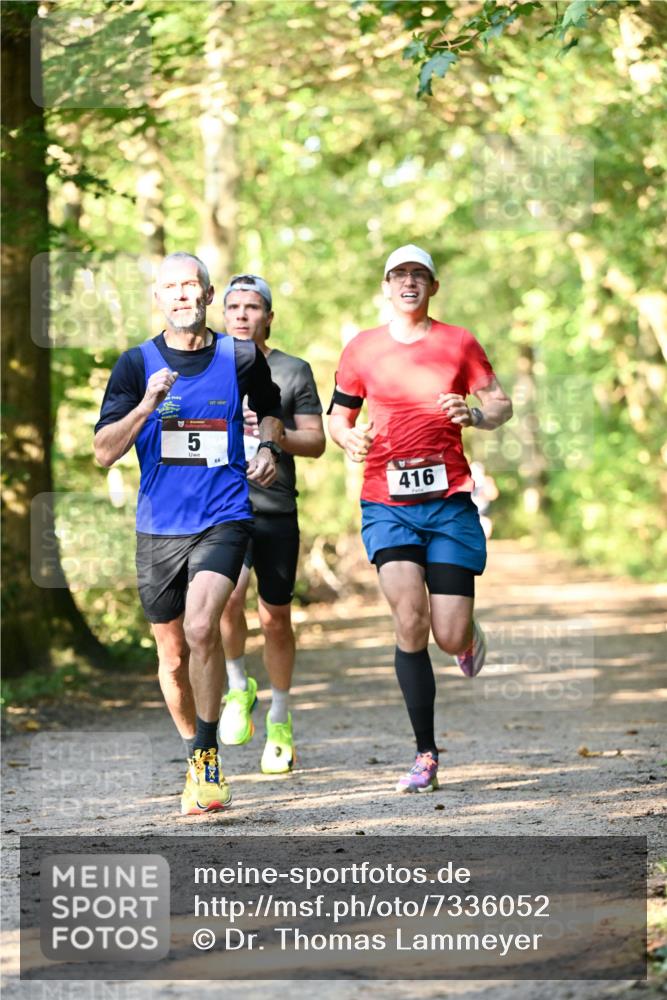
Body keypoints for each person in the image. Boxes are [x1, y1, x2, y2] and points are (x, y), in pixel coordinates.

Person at [93, 252, 283, 815]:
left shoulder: (240, 355)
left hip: (224, 516)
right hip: (158, 529)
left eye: (190, 285)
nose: (181, 295)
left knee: (203, 626)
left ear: (207, 293)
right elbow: (104, 452)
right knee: (172, 655)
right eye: (170, 288)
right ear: (159, 299)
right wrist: (148, 404)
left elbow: (271, 407)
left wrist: (269, 446)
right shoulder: (135, 364)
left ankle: (207, 760)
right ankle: (192, 750)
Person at [328, 244, 512, 793]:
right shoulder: (361, 348)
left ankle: (466, 638)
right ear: (386, 286)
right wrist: (348, 437)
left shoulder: (459, 341)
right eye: (399, 274)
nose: (409, 282)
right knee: (409, 619)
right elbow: (338, 417)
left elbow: (501, 404)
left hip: (451, 500)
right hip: (386, 501)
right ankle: (425, 753)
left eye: (420, 275)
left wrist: (474, 414)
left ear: (433, 287)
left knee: (447, 634)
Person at [218, 274, 325, 774]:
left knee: (275, 616)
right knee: (227, 597)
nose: (242, 314)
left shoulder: (293, 370)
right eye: (233, 306)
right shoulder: (206, 365)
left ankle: (280, 715)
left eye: (252, 306)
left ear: (269, 317)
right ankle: (239, 686)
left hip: (276, 508)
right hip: (220, 507)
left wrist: (277, 437)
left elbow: (317, 441)